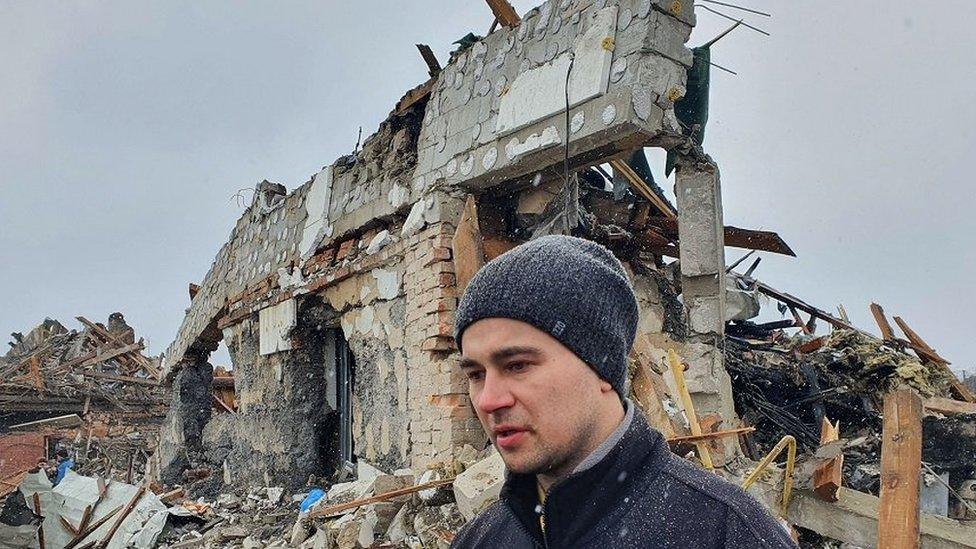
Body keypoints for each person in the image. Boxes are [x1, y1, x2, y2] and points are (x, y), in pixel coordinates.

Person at [450, 235, 796, 548]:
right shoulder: (480, 539)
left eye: (518, 366)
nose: (488, 400)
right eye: (476, 374)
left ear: (600, 366)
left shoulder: (727, 533)